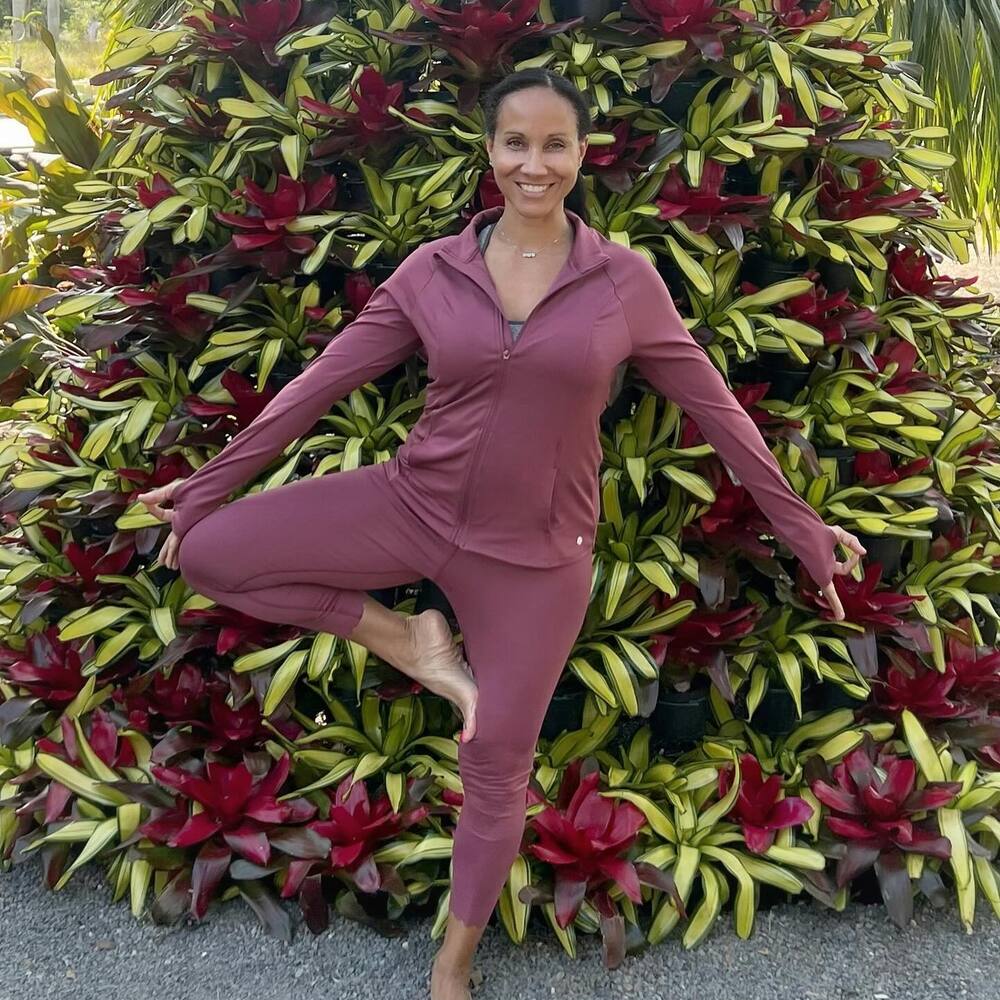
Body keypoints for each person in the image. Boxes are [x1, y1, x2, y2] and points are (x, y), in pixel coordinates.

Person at [138, 68, 865, 1000]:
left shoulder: (623, 283)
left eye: (554, 143)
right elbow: (317, 386)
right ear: (488, 152)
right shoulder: (432, 272)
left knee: (494, 764)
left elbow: (720, 414)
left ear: (582, 154)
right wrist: (202, 491)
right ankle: (404, 636)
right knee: (210, 554)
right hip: (411, 504)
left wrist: (805, 529)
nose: (534, 162)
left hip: (535, 562)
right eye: (515, 142)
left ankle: (453, 965)